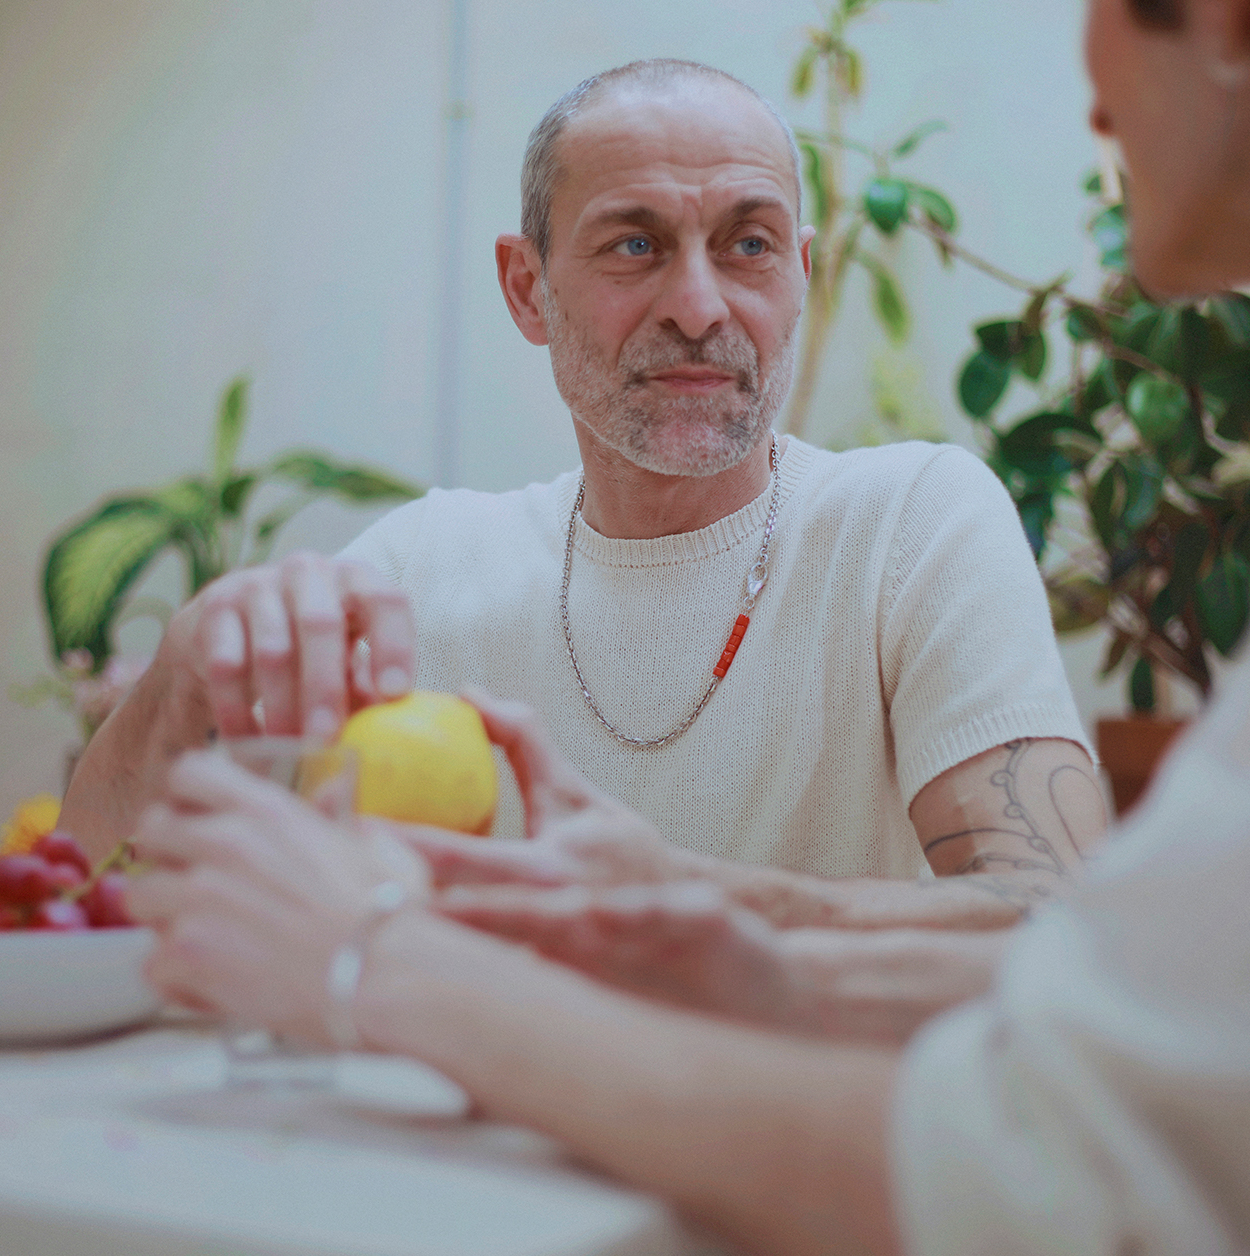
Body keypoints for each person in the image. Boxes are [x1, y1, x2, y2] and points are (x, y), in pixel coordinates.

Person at [125, 0, 1250, 1256]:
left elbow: (1050, 1163)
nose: (1090, 79)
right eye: (631, 246)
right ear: (528, 283)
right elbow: (1138, 994)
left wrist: (383, 960)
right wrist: (729, 922)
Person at [65, 57, 1106, 903]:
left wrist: (684, 902)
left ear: (795, 273)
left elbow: (1054, 920)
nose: (697, 306)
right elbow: (84, 894)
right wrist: (176, 679)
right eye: (634, 244)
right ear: (527, 288)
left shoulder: (909, 524)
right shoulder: (414, 568)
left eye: (746, 244)